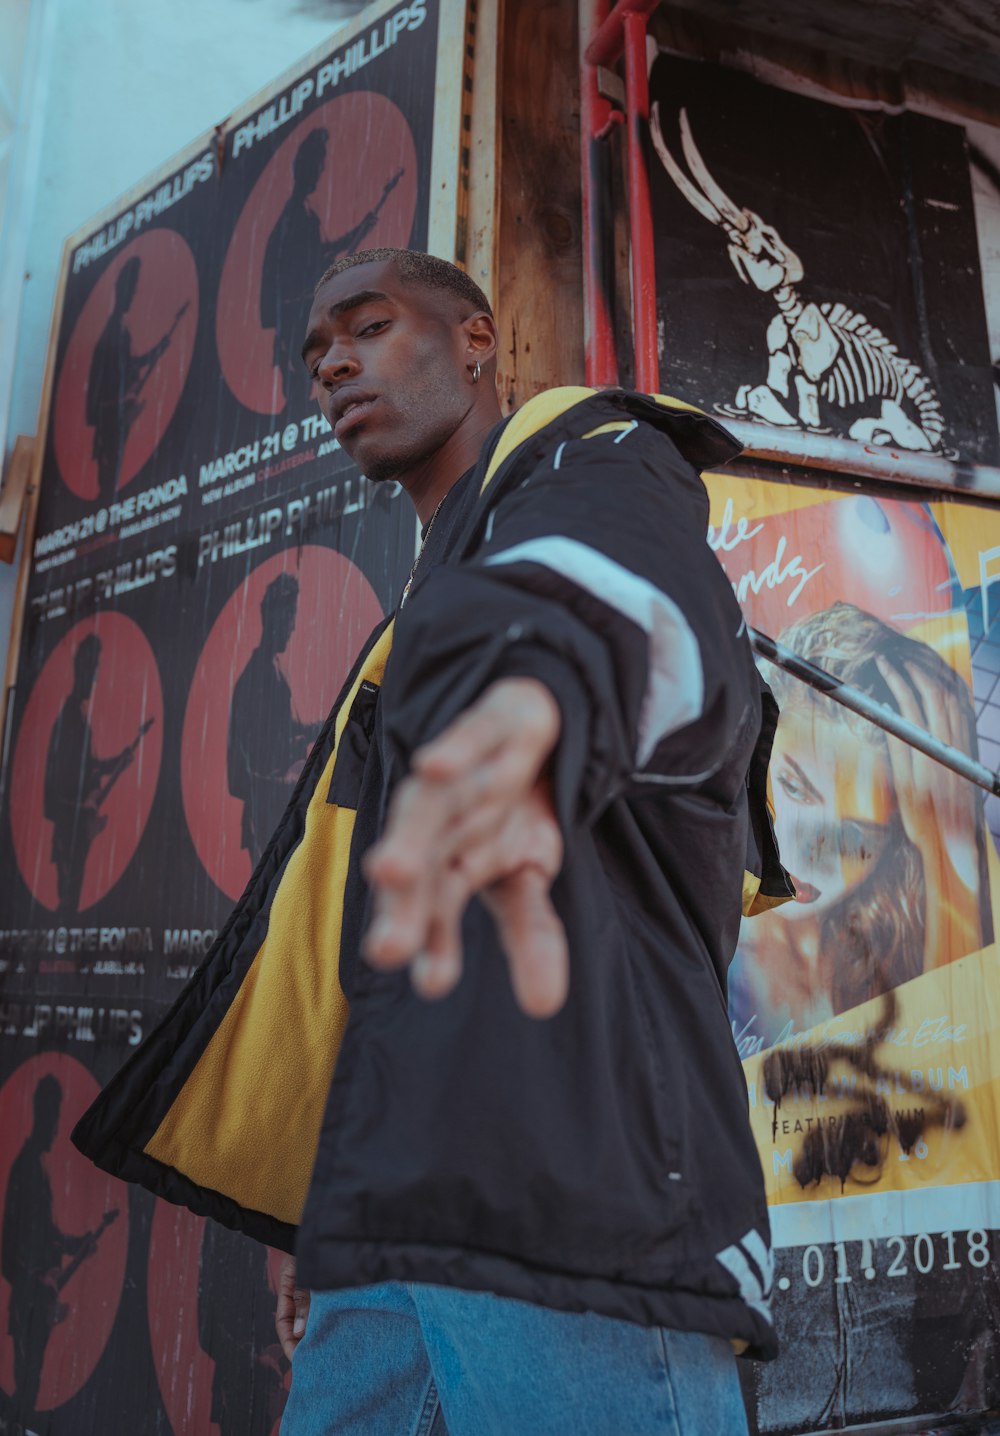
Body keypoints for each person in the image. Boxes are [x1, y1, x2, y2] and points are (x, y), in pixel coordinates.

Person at [73, 248, 791, 1435]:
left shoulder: (594, 460)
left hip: (572, 1176)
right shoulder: (428, 600)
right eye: (316, 354)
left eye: (367, 325)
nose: (335, 363)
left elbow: (624, 613)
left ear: (476, 340)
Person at [730, 602, 990, 1044]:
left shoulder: (904, 941)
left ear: (898, 842)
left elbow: (960, 1076)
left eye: (858, 835)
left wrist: (951, 857)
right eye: (794, 787)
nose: (811, 850)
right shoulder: (704, 932)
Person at [259, 128, 401, 409]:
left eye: (322, 167)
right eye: (317, 167)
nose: (320, 173)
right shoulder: (295, 215)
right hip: (293, 314)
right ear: (305, 169)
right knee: (299, 381)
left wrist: (359, 230)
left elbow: (321, 253)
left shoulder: (303, 211)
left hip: (297, 312)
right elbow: (304, 266)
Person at [2, 1077, 89, 1418]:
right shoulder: (25, 1168)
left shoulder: (38, 1169)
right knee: (25, 1391)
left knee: (31, 1386)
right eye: (53, 1119)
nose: (56, 1130)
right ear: (43, 1116)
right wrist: (37, 1279)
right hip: (28, 1303)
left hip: (37, 1301)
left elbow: (47, 1232)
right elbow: (8, 1248)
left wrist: (77, 1243)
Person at [227, 573, 322, 866]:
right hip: (268, 820)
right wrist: (282, 781)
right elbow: (238, 773)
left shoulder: (274, 671)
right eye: (290, 614)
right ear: (272, 615)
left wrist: (314, 730)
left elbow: (279, 732)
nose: (293, 625)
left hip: (281, 817)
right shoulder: (255, 677)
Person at [43, 635, 133, 914]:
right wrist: (81, 805)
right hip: (70, 828)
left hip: (76, 826)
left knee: (71, 899)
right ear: (82, 668)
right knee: (67, 903)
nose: (94, 677)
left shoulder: (78, 716)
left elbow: (88, 765)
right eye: (92, 666)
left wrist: (119, 761)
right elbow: (58, 784)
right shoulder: (70, 718)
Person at [86, 257, 180, 506]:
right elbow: (124, 366)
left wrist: (157, 350)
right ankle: (106, 503)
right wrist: (155, 352)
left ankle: (107, 501)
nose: (133, 295)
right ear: (122, 290)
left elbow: (127, 364)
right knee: (109, 466)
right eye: (131, 289)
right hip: (110, 413)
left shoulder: (119, 328)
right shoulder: (114, 330)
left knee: (113, 464)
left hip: (115, 410)